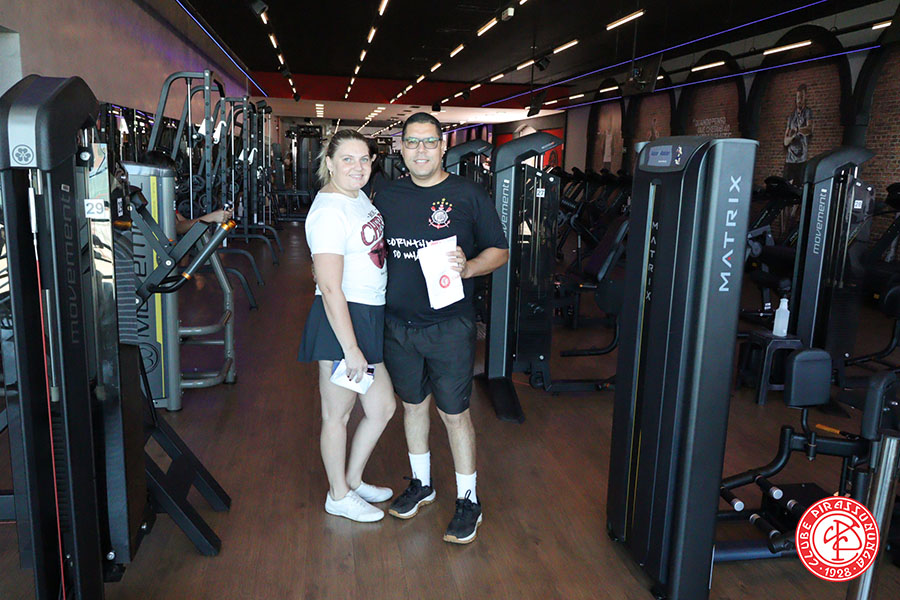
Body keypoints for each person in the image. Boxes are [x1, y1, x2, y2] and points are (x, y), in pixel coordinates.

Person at [375, 112, 509, 544]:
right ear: (401, 148)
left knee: (454, 414)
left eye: (429, 142)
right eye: (412, 142)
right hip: (398, 325)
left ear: (442, 147)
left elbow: (500, 251)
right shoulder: (386, 195)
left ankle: (469, 500)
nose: (420, 151)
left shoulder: (467, 194)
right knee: (413, 407)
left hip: (449, 325)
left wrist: (468, 267)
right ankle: (422, 484)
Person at [297, 129, 395, 522]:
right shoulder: (328, 211)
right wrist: (350, 347)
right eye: (348, 159)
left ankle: (352, 480)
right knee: (337, 414)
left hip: (367, 314)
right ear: (330, 164)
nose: (358, 166)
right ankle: (337, 494)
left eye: (364, 159)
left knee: (382, 407)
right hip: (343, 320)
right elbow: (329, 286)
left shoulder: (357, 197)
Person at [783, 84, 813, 185]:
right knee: (786, 186)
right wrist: (791, 137)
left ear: (805, 97)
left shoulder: (808, 112)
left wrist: (797, 130)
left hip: (801, 159)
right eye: (798, 97)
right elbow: (785, 142)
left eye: (801, 97)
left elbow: (809, 129)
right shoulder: (791, 117)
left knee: (798, 187)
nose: (799, 100)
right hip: (790, 159)